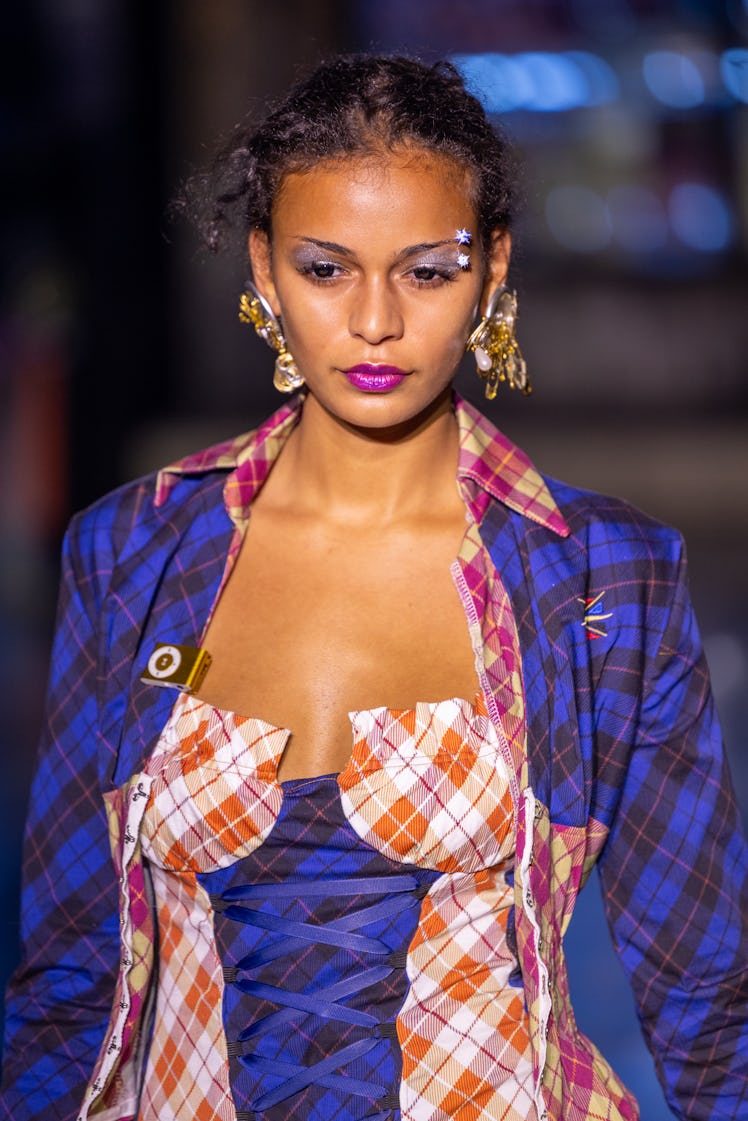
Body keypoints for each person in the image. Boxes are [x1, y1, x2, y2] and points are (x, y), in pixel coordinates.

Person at [1, 54, 746, 1121]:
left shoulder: (605, 577)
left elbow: (707, 991)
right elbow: (68, 977)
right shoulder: (131, 552)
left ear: (491, 270)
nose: (375, 321)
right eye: (326, 268)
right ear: (263, 269)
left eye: (426, 271)